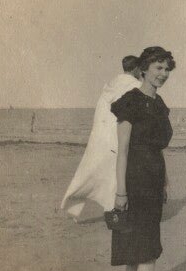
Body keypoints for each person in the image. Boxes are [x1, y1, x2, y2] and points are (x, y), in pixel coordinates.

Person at [111, 46, 175, 271]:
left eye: (166, 68)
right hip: (134, 177)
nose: (163, 74)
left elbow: (158, 149)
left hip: (154, 176)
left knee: (140, 247)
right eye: (158, 68)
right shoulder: (130, 101)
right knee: (141, 248)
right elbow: (122, 150)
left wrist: (164, 182)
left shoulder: (159, 105)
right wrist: (120, 191)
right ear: (144, 68)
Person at [60, 56, 142, 221]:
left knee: (93, 172)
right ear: (135, 69)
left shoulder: (110, 85)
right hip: (120, 136)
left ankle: (75, 207)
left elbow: (101, 114)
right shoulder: (136, 86)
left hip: (104, 137)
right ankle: (115, 210)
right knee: (119, 172)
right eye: (140, 69)